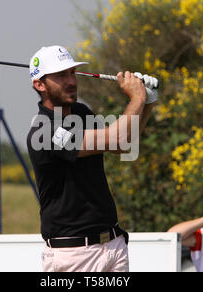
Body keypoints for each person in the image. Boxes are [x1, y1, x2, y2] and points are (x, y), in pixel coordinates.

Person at [26, 45, 158, 272]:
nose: (71, 81)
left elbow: (123, 145)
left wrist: (147, 103)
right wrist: (137, 97)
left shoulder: (81, 113)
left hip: (113, 246)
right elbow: (117, 139)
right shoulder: (43, 131)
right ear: (40, 84)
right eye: (60, 75)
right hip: (73, 256)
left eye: (72, 73)